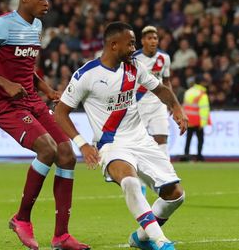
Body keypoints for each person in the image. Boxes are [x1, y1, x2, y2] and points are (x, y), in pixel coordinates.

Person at [0, 0, 89, 250]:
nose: (47, 3)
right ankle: (21, 219)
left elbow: (24, 66)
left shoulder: (36, 26)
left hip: (32, 100)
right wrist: (5, 84)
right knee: (46, 149)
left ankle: (61, 236)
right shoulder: (1, 24)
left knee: (67, 154)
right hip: (6, 105)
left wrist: (45, 88)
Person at [53, 22, 189, 250]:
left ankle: (141, 238)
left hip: (141, 140)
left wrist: (176, 108)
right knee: (130, 182)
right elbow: (60, 112)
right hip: (112, 144)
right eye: (131, 43)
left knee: (176, 196)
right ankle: (161, 241)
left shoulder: (135, 67)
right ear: (114, 45)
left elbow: (161, 89)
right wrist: (83, 144)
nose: (134, 47)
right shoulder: (87, 75)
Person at [132, 26, 173, 154]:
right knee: (137, 139)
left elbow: (166, 81)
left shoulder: (164, 57)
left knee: (162, 137)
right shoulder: (134, 58)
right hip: (139, 103)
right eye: (149, 38)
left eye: (155, 38)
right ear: (143, 41)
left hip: (158, 103)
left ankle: (165, 170)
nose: (153, 41)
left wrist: (170, 102)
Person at [182, 76, 210, 162]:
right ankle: (199, 156)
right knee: (200, 139)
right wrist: (203, 123)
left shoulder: (188, 92)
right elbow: (204, 110)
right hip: (198, 121)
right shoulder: (202, 94)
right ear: (201, 83)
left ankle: (186, 154)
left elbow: (185, 106)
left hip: (188, 119)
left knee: (188, 139)